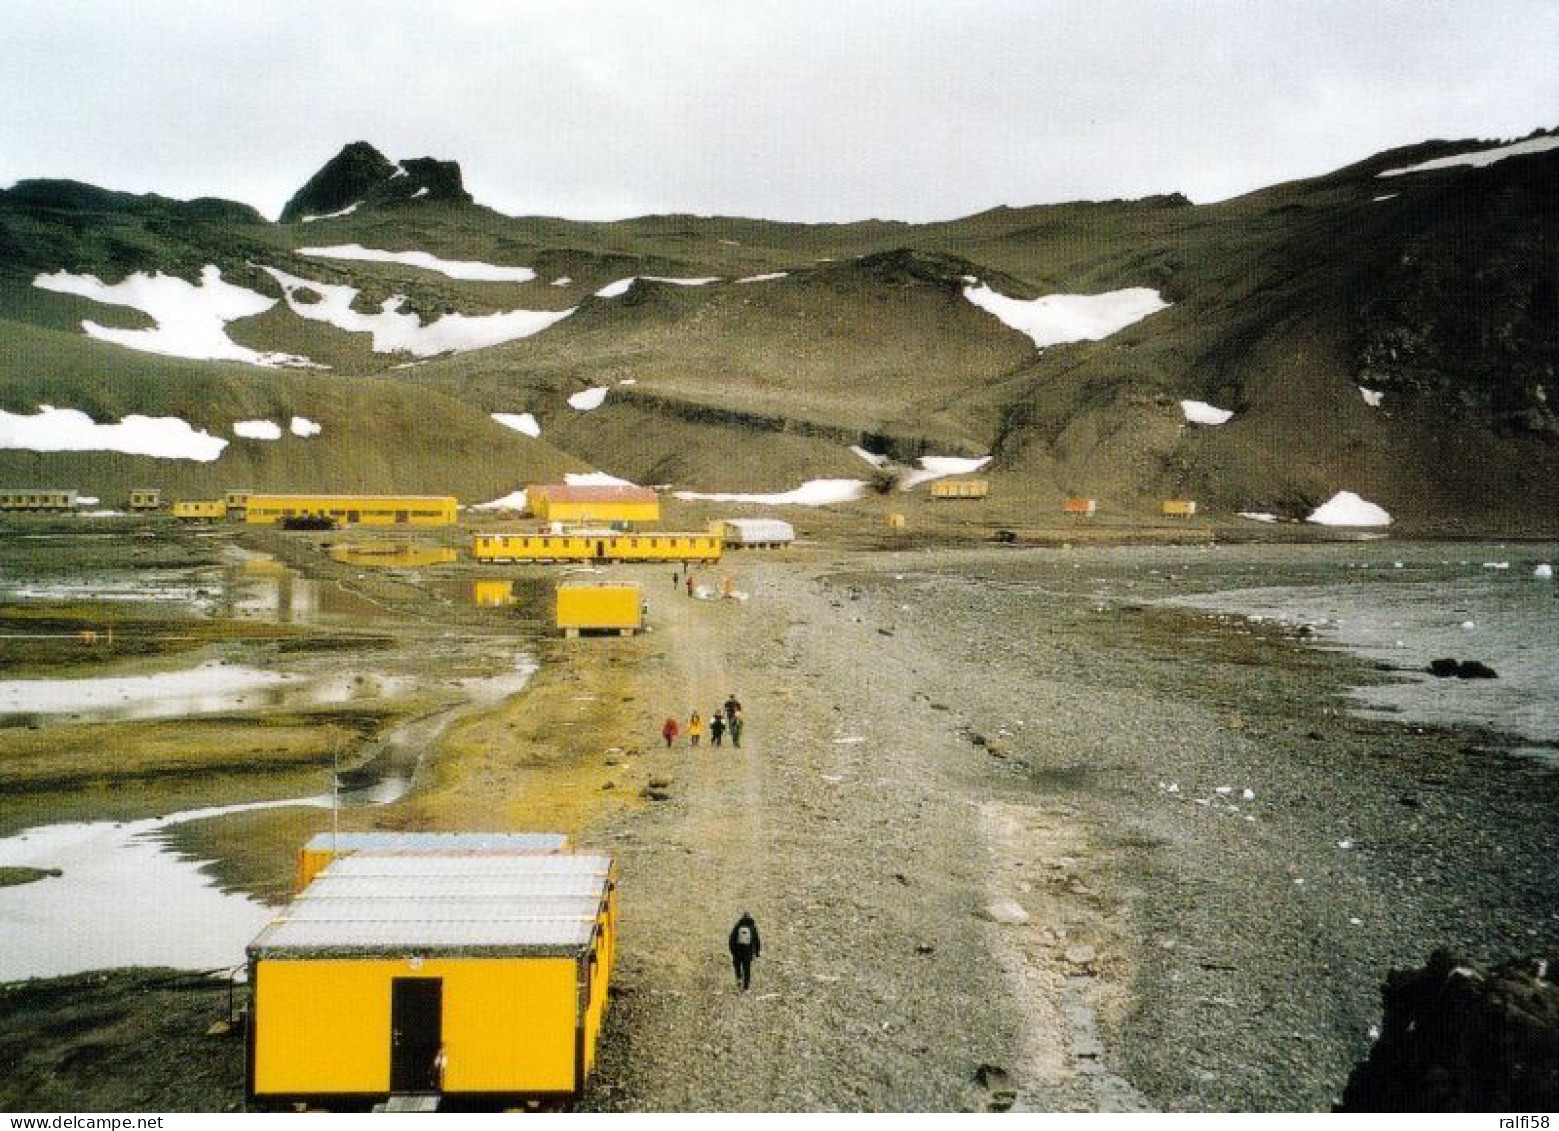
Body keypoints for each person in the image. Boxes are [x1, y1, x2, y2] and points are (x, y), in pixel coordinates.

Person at [728, 912, 761, 991]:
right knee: (747, 970)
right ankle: (746, 987)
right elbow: (757, 941)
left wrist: (732, 952)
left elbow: (731, 940)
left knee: (738, 967)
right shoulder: (752, 928)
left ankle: (739, 979)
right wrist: (757, 952)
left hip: (737, 953)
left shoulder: (737, 927)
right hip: (748, 953)